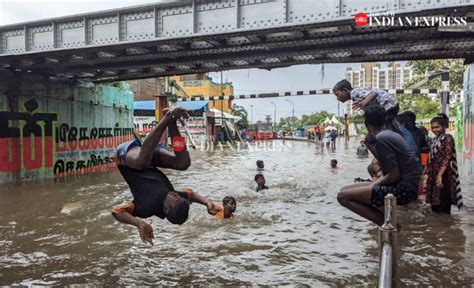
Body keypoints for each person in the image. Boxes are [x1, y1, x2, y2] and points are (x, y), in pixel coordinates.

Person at [111, 107, 220, 245]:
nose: (176, 195)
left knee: (140, 162)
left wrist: (139, 224)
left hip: (125, 157)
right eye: (178, 197)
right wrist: (207, 203)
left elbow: (117, 211)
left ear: (166, 209)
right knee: (183, 163)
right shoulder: (174, 196)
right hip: (148, 154)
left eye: (175, 200)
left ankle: (167, 117)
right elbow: (191, 195)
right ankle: (171, 122)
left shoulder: (146, 207)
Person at [337, 105, 421, 226]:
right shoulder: (390, 134)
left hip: (404, 189)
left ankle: (391, 225)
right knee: (345, 190)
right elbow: (387, 168)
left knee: (342, 197)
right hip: (408, 185)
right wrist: (371, 147)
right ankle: (387, 221)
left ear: (367, 124)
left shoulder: (382, 138)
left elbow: (393, 175)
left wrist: (373, 184)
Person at [332, 79, 418, 154]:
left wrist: (363, 103)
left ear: (345, 90)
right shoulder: (356, 95)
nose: (337, 98)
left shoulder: (355, 93)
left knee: (385, 130)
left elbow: (374, 93)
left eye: (337, 94)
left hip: (389, 106)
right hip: (390, 106)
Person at [424, 114, 463, 214]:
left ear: (444, 126)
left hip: (444, 174)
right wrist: (425, 174)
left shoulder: (448, 138)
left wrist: (440, 175)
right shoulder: (433, 140)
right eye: (432, 128)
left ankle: (446, 225)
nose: (434, 130)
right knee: (434, 205)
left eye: (437, 127)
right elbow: (430, 159)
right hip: (433, 174)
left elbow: (447, 157)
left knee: (444, 203)